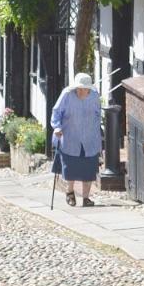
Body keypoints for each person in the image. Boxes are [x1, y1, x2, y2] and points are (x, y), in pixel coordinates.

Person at [50, 72, 103, 207]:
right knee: (70, 167)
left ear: (89, 89)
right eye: (78, 88)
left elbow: (98, 113)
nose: (80, 91)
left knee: (89, 168)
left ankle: (86, 198)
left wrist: (97, 131)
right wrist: (56, 127)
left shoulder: (94, 96)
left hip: (89, 137)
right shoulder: (67, 94)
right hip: (70, 136)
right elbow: (56, 112)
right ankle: (70, 192)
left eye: (84, 89)